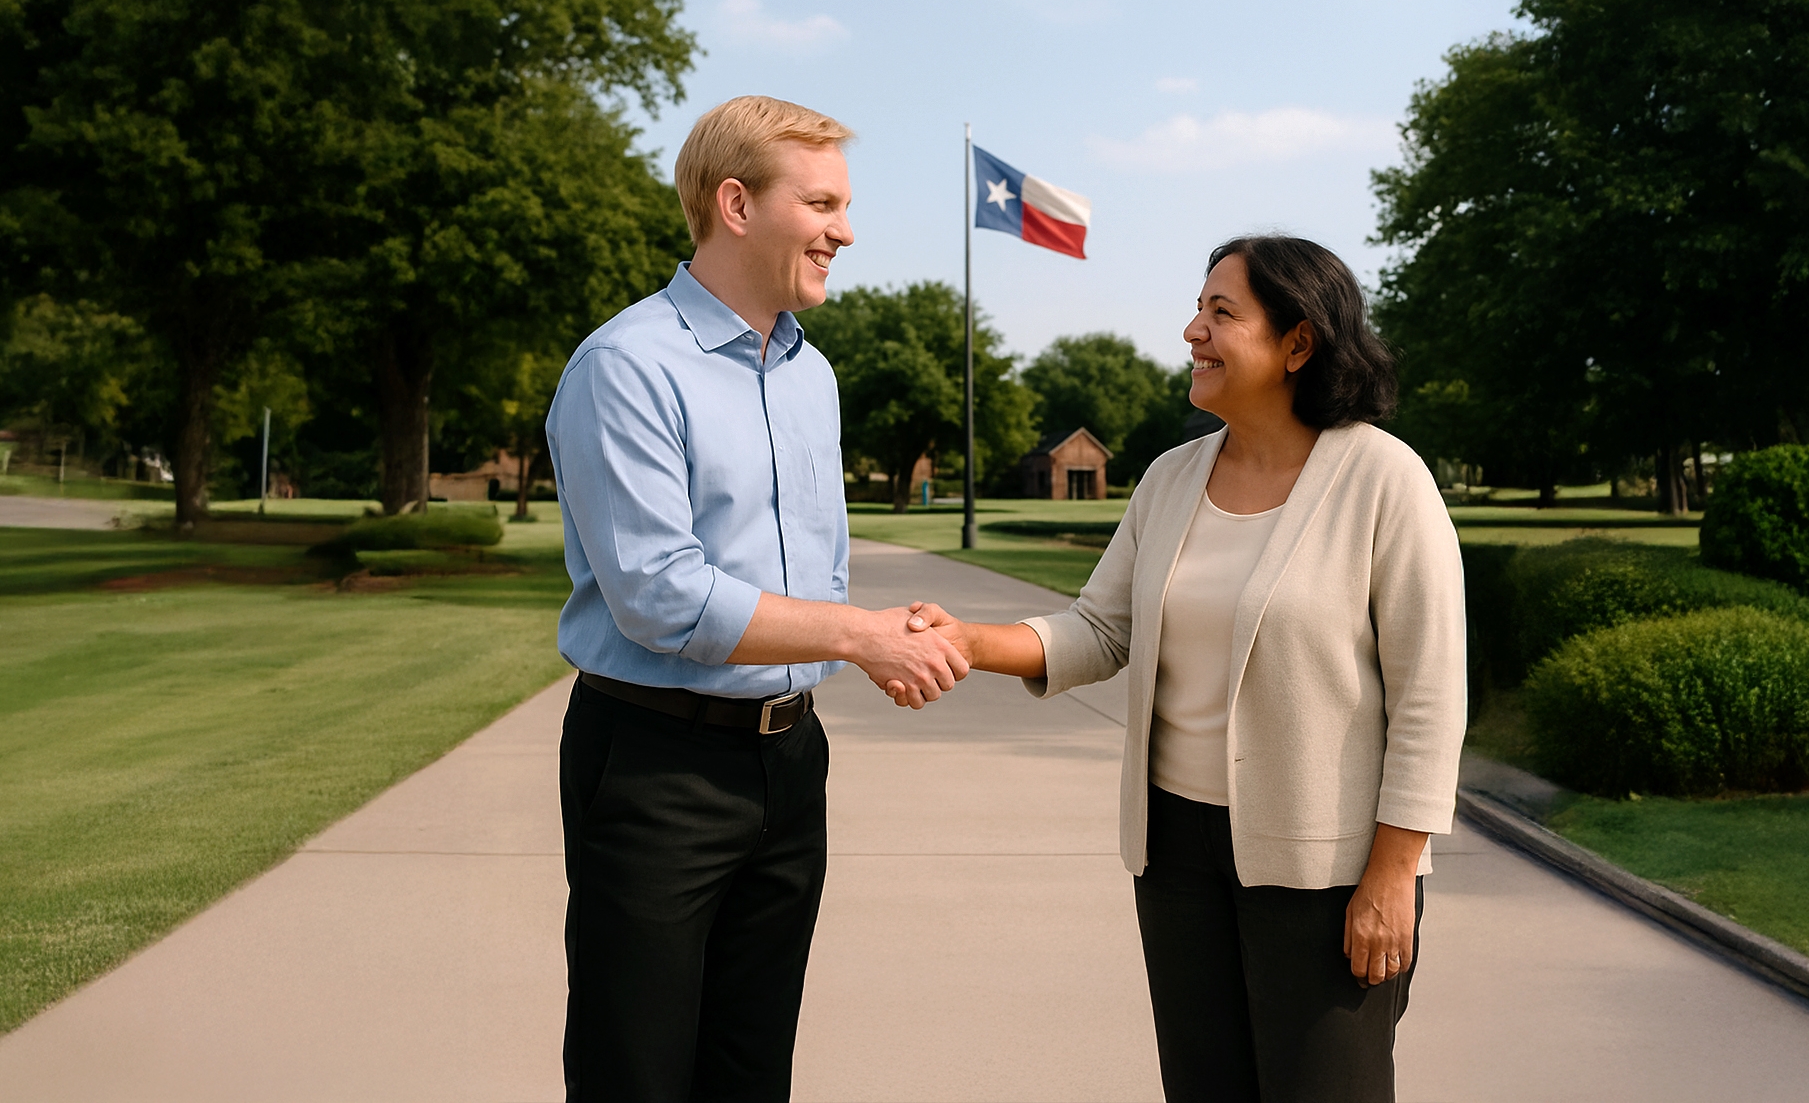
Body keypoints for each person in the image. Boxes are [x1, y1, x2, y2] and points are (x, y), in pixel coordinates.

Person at [909, 235, 1465, 1103]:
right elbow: (1100, 628)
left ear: (1297, 344)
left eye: (1221, 313)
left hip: (1326, 871)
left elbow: (1431, 695)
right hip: (1175, 856)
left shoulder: (1384, 480)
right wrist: (969, 641)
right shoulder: (1170, 479)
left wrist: (1394, 874)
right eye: (1198, 308)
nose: (1192, 331)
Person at [546, 94, 967, 1103]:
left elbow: (798, 577)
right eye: (820, 202)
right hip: (655, 768)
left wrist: (877, 634)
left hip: (788, 760)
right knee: (638, 1072)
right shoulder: (628, 366)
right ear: (735, 205)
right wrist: (861, 636)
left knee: (749, 1071)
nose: (846, 230)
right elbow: (659, 594)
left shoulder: (809, 375)